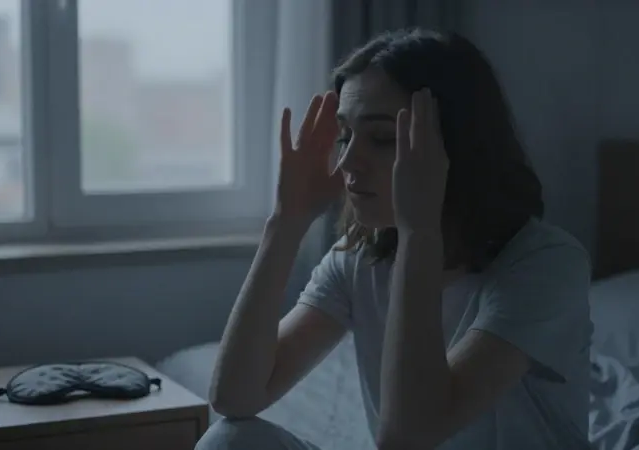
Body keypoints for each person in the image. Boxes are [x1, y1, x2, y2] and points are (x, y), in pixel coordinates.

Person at [196, 28, 592, 450]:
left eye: (382, 138)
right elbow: (234, 397)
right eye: (346, 135)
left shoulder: (546, 264)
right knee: (230, 440)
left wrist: (419, 232)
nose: (347, 162)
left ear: (455, 148)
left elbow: (407, 436)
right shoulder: (359, 258)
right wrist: (286, 221)